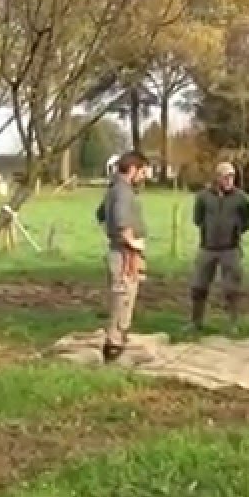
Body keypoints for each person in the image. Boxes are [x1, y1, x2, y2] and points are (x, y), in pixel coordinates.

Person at [96, 151, 149, 363]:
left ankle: (118, 339)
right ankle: (114, 345)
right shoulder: (122, 191)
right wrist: (131, 242)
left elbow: (100, 215)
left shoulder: (115, 190)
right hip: (123, 253)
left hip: (121, 251)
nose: (144, 176)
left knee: (125, 296)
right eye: (143, 171)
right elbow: (120, 220)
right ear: (133, 169)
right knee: (122, 298)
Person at [189, 161, 249, 331]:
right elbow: (197, 219)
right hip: (207, 248)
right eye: (226, 177)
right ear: (217, 177)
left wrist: (236, 231)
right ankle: (196, 322)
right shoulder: (203, 197)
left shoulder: (240, 198)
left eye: (232, 177)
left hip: (230, 249)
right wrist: (207, 230)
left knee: (232, 289)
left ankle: (233, 324)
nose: (229, 180)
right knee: (199, 286)